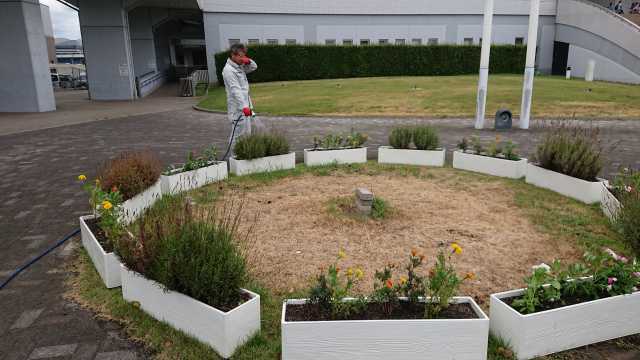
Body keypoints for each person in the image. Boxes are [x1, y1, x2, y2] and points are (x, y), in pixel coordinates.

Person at [222, 42, 258, 158]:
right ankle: (234, 157)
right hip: (238, 108)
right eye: (241, 56)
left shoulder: (239, 66)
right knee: (237, 135)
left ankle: (245, 154)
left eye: (244, 56)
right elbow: (235, 90)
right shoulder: (228, 70)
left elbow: (254, 67)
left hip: (246, 106)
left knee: (247, 133)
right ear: (233, 55)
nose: (243, 58)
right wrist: (244, 107)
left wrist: (249, 61)